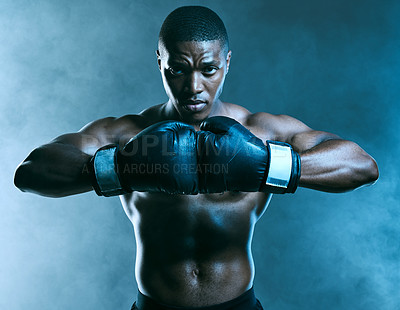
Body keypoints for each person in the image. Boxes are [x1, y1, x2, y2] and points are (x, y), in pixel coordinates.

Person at [14, 5, 379, 310]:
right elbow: (30, 172)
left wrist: (271, 165)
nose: (194, 87)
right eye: (178, 69)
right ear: (160, 61)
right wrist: (120, 168)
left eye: (209, 69)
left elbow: (362, 165)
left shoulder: (262, 131)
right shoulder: (128, 134)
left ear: (227, 62)